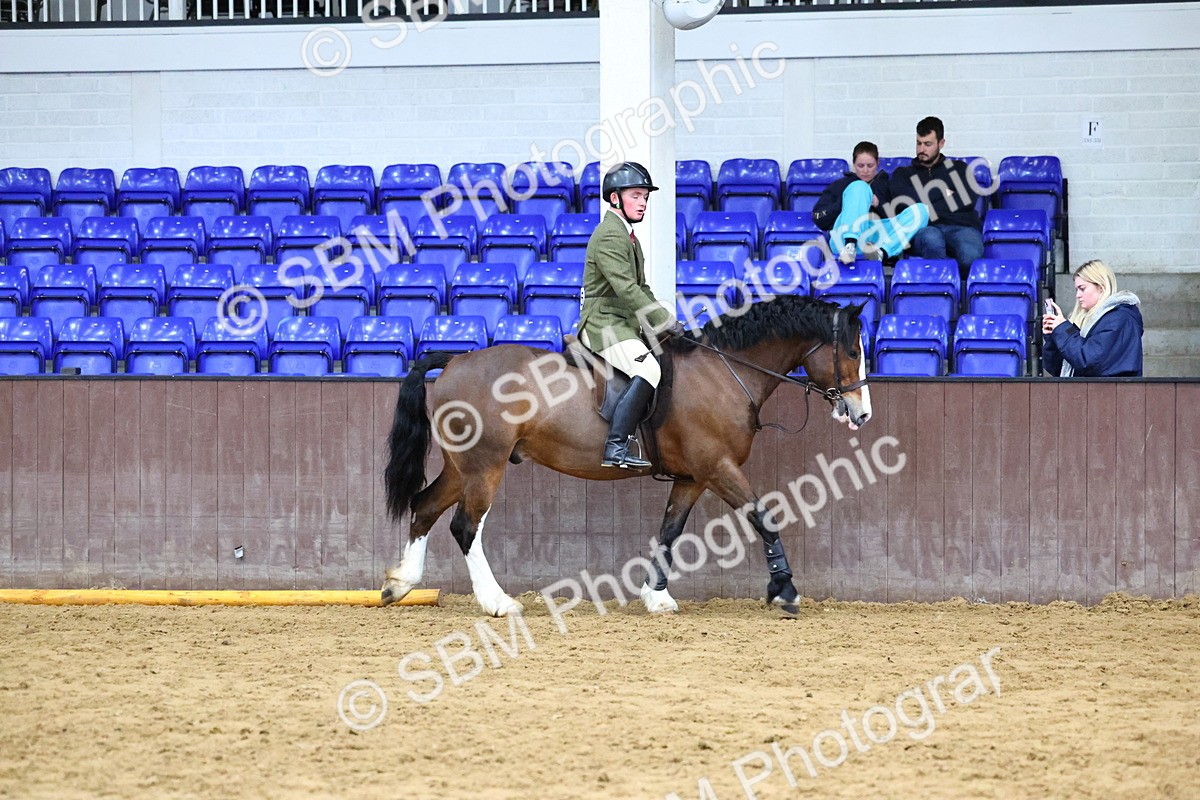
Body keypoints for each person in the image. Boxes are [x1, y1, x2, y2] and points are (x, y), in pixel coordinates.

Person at [579, 161, 684, 469]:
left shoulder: (628, 236)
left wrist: (665, 319)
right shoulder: (611, 235)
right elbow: (626, 289)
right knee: (649, 370)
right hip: (603, 323)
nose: (642, 202)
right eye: (636, 195)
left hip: (622, 322)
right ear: (615, 198)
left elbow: (642, 287)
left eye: (645, 197)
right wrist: (661, 320)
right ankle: (615, 446)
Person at [889, 116, 983, 276]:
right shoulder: (903, 174)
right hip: (924, 228)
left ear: (941, 143)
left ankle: (961, 295)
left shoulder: (959, 169)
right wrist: (944, 193)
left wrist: (924, 205)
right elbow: (902, 203)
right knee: (932, 241)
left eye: (928, 144)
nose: (921, 150)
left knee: (970, 254)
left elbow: (967, 200)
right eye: (918, 143)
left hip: (961, 227)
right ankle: (941, 293)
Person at [812, 140, 929, 265]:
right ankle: (850, 244)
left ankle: (882, 254)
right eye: (860, 166)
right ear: (854, 164)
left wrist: (879, 205)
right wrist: (848, 202)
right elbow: (819, 217)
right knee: (859, 187)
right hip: (842, 238)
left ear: (878, 163)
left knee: (922, 210)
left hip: (877, 239)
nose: (865, 171)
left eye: (870, 165)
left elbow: (900, 219)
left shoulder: (888, 185)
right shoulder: (840, 185)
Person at [1042, 259, 1143, 377]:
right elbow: (1057, 368)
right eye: (1077, 289)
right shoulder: (1092, 319)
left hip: (1111, 393)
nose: (1077, 295)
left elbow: (1088, 360)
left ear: (1101, 287)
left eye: (1082, 288)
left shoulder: (1120, 318)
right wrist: (1054, 336)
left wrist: (1062, 329)